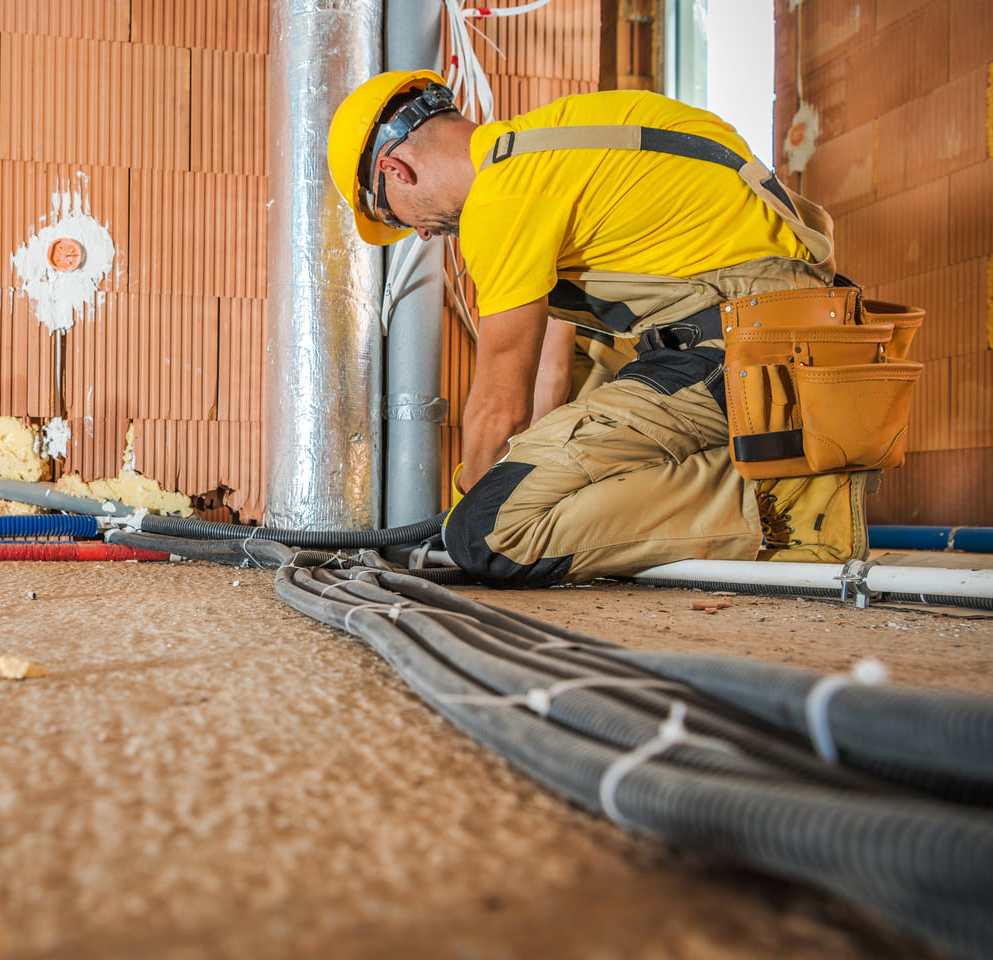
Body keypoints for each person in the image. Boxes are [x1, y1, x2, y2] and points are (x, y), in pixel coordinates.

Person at [328, 71, 922, 587]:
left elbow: (500, 407)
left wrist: (465, 510)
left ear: (395, 170)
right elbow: (548, 374)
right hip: (796, 343)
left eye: (394, 218)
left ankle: (781, 502)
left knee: (490, 534)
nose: (422, 233)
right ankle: (776, 457)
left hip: (741, 351)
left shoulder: (500, 200)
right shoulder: (564, 138)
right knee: (584, 383)